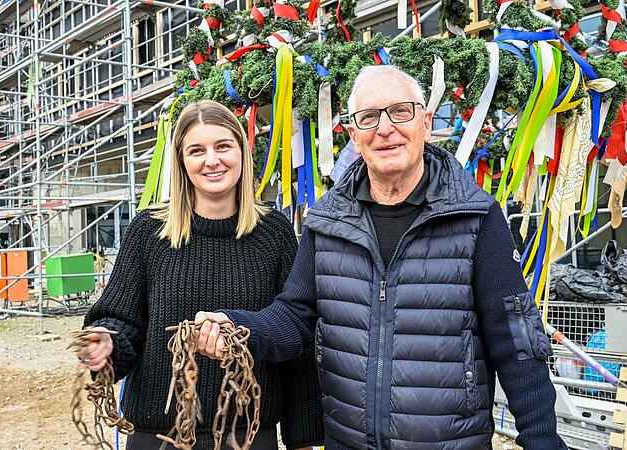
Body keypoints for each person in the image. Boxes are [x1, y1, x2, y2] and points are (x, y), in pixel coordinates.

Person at [195, 66, 568, 449]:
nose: (385, 128)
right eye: (369, 118)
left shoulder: (475, 217)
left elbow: (517, 340)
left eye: (400, 111)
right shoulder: (326, 221)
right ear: (354, 136)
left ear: (425, 123)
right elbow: (296, 316)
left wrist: (542, 439)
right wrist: (239, 330)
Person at [76, 100, 324, 450]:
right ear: (181, 161)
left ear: (242, 151)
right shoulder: (149, 233)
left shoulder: (275, 233)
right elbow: (121, 322)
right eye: (196, 150)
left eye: (223, 146)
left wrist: (304, 440)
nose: (212, 160)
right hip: (158, 437)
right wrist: (107, 345)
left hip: (249, 437)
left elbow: (296, 337)